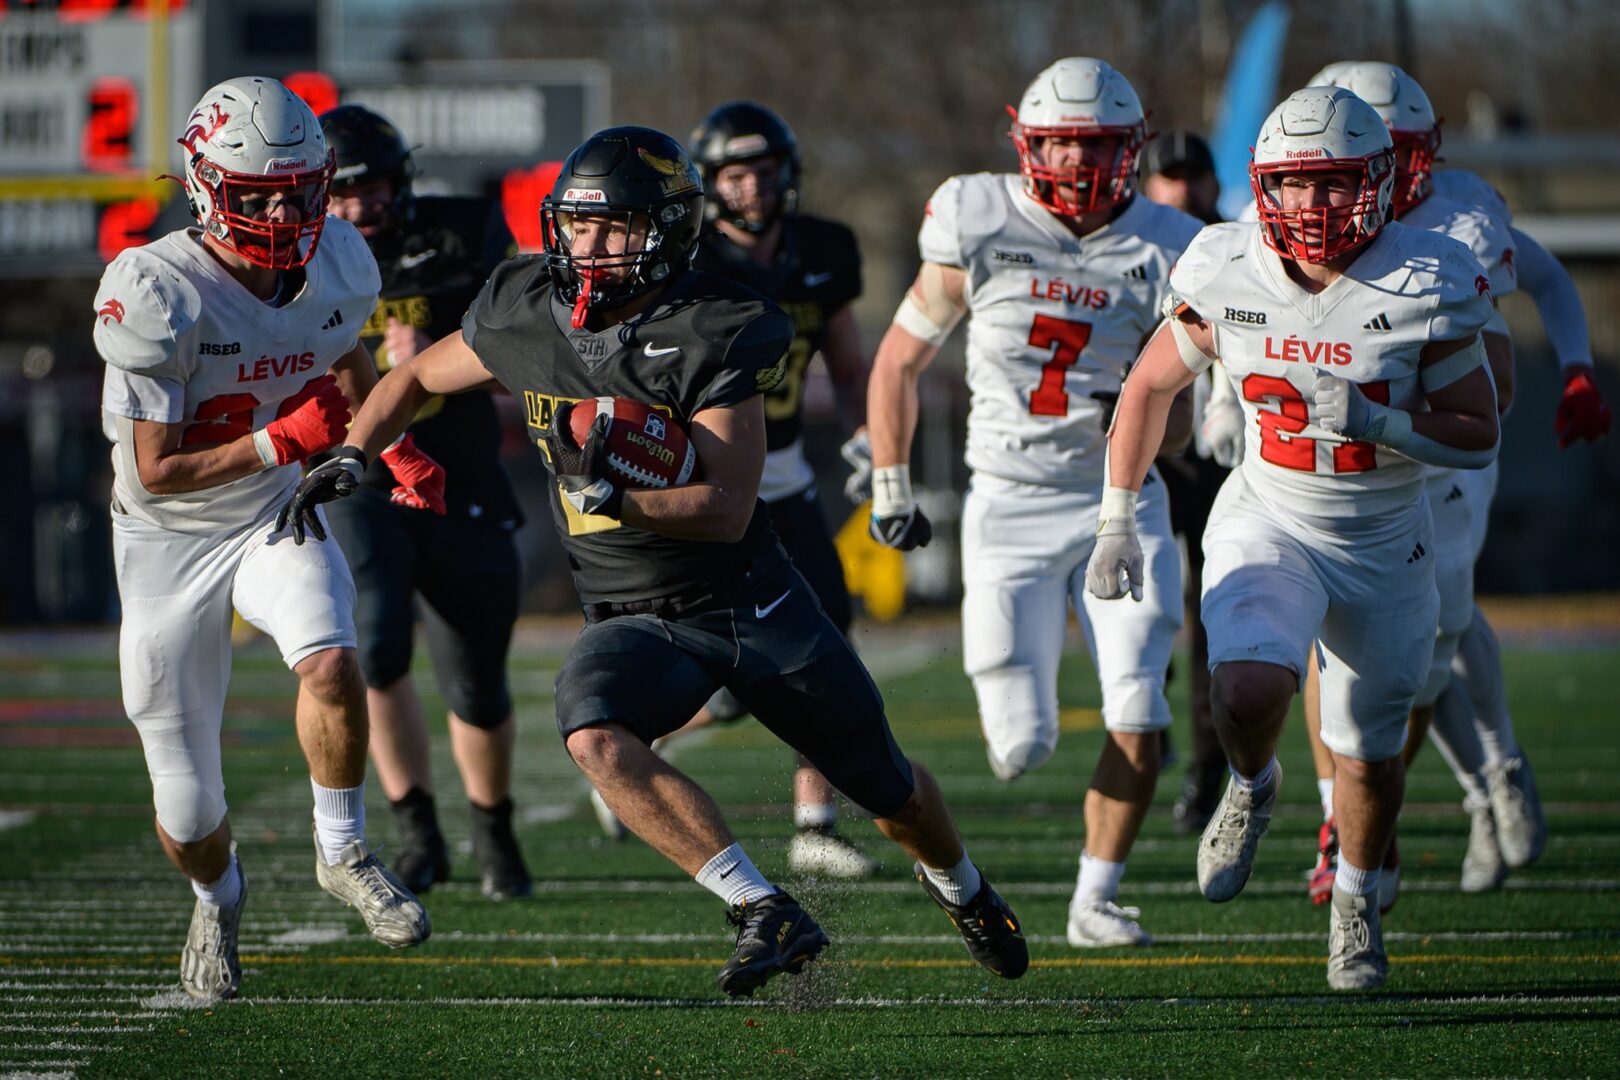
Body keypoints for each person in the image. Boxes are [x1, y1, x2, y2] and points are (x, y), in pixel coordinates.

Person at [279, 126, 1028, 997]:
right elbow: (411, 381)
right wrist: (356, 451)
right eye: (579, 226)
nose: (591, 248)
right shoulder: (529, 306)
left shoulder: (715, 325)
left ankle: (962, 888)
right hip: (633, 616)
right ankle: (760, 905)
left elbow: (725, 507)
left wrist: (617, 500)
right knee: (593, 731)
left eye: (617, 228)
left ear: (669, 230)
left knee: (890, 792)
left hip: (747, 599)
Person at [1089, 86, 1499, 990]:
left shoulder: (1425, 273)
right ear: (1263, 186)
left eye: (1337, 183)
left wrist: (1384, 424)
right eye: (1295, 185)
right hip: (1269, 511)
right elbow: (1152, 386)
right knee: (1242, 688)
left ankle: (1355, 900)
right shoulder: (1225, 262)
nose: (1314, 206)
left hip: (1387, 533)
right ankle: (1252, 783)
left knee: (1370, 750)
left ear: (1379, 181)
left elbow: (1480, 428)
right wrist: (1117, 515)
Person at [92, 77, 435, 1003]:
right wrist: (283, 438)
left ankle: (343, 851)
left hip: (270, 513)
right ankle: (217, 892)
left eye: (298, 188)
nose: (285, 211)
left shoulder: (340, 261)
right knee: (187, 805)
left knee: (331, 659)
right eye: (259, 195)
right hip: (167, 541)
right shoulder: (157, 287)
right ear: (207, 188)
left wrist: (387, 444)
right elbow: (156, 469)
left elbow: (345, 349)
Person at [866, 57, 1201, 948]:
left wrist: (1142, 420)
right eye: (1062, 142)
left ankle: (1096, 897)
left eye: (1097, 145)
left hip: (1117, 502)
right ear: (1027, 141)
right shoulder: (979, 216)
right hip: (1007, 502)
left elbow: (1183, 422)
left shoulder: (1171, 242)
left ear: (1131, 149)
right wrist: (892, 478)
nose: (1080, 162)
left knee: (1141, 705)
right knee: (1019, 747)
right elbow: (899, 359)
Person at [585, 102, 877, 880]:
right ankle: (634, 749)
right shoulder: (689, 258)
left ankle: (815, 821)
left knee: (824, 647)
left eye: (764, 170)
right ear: (709, 186)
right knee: (720, 656)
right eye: (736, 174)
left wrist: (870, 434)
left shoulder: (823, 250)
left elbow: (847, 366)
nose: (752, 188)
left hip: (785, 473)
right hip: (699, 473)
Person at [1292, 63, 1531, 908]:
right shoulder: (1289, 218)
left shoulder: (1458, 221)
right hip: (1333, 465)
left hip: (1439, 449)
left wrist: (1569, 360)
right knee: (1330, 634)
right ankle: (1343, 826)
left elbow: (1500, 368)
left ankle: (1490, 772)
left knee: (1438, 641)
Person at [318, 103, 532, 900]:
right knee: (372, 648)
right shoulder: (300, 253)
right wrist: (379, 359)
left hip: (462, 477)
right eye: (338, 193)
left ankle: (494, 829)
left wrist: (438, 346)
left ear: (400, 181)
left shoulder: (463, 233)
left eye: (368, 188)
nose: (353, 207)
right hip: (363, 480)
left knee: (476, 678)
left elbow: (525, 357)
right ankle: (417, 832)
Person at [1138, 130, 1232, 834]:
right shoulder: (1134, 247)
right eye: (1168, 177)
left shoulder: (1239, 244)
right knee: (1141, 597)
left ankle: (1208, 768)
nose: (1183, 190)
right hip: (1153, 449)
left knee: (1215, 614)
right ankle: (1148, 711)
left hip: (1222, 454)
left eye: (1193, 175)